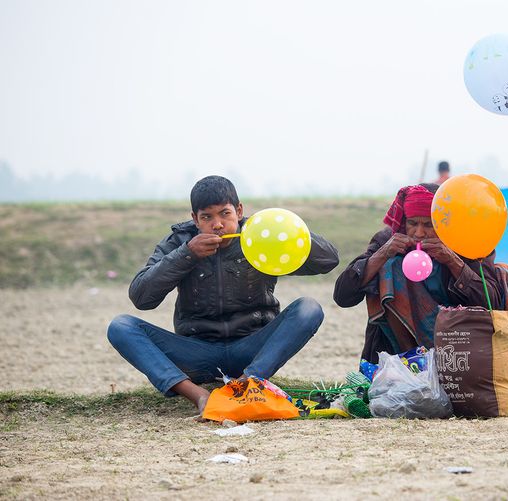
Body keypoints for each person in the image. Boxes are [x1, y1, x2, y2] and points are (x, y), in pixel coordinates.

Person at [107, 176, 339, 413]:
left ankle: (247, 384)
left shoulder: (260, 236)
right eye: (207, 217)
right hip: (197, 352)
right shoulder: (179, 242)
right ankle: (197, 395)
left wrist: (284, 228)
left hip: (252, 348)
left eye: (224, 214)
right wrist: (187, 254)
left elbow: (328, 261)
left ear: (239, 211)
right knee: (120, 326)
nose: (217, 224)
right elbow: (142, 298)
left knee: (309, 308)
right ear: (195, 220)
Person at [333, 184, 508, 363]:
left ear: (444, 223)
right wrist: (383, 253)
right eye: (413, 223)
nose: (419, 233)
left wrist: (453, 261)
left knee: (504, 272)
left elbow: (491, 304)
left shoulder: (463, 242)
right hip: (396, 353)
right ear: (404, 222)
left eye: (428, 225)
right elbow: (343, 296)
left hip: (458, 348)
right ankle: (412, 360)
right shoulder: (389, 240)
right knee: (391, 266)